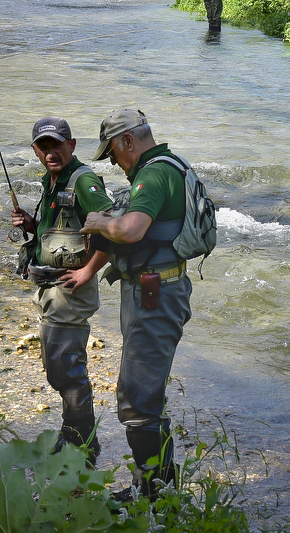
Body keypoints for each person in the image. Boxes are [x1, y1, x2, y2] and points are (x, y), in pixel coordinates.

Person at [80, 109, 192, 500]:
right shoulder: (166, 166)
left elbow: (131, 229)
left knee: (138, 401)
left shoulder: (156, 173)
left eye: (112, 152)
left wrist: (96, 221)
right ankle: (154, 488)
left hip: (156, 298)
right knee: (143, 396)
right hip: (154, 293)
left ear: (128, 140)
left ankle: (157, 496)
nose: (113, 162)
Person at [10, 116, 113, 467]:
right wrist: (32, 224)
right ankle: (76, 433)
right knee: (57, 368)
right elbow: (63, 231)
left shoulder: (84, 181)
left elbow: (112, 230)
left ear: (72, 146)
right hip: (50, 288)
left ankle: (83, 442)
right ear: (36, 150)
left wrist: (88, 271)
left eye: (57, 145)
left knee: (65, 369)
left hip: (70, 290)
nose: (51, 152)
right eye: (44, 146)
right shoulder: (53, 181)